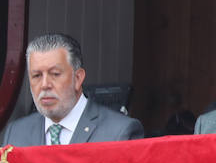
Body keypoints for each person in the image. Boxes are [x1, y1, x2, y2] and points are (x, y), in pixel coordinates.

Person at [1, 33, 143, 145]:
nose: (44, 84)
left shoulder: (119, 132)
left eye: (55, 74)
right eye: (37, 75)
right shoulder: (16, 133)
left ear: (78, 78)